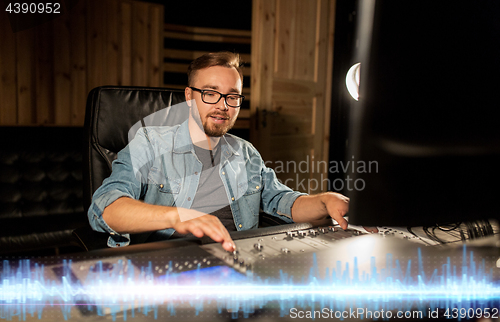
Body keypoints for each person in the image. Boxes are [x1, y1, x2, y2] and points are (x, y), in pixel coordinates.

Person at [88, 52, 351, 252]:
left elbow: (283, 202)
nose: (223, 106)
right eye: (211, 94)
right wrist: (177, 216)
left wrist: (324, 201)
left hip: (236, 263)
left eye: (232, 96)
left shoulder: (246, 153)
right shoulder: (150, 142)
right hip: (166, 268)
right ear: (190, 96)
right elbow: (104, 209)